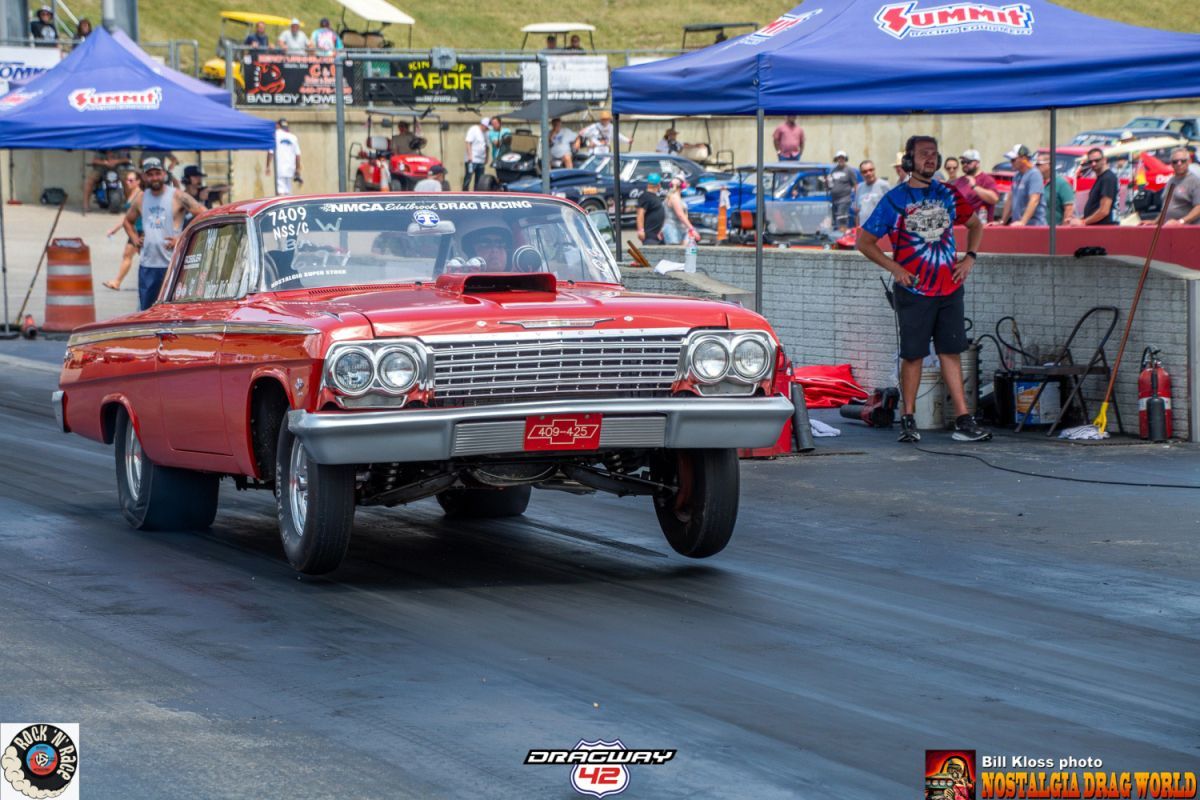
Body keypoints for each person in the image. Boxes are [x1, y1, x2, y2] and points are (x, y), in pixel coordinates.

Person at [856, 134, 990, 444]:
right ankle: (908, 417)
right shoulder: (894, 200)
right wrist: (895, 268)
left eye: (934, 153)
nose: (930, 158)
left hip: (949, 288)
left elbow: (976, 225)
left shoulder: (949, 193)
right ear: (909, 161)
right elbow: (864, 242)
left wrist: (970, 257)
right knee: (913, 355)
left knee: (951, 351)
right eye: (923, 154)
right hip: (914, 291)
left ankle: (963, 418)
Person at [123, 157, 206, 310]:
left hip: (172, 264)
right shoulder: (141, 198)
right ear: (144, 177)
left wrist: (182, 238)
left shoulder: (178, 196)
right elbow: (127, 221)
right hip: (148, 265)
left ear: (164, 174)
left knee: (174, 310)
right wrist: (134, 239)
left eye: (157, 173)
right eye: (150, 174)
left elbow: (204, 214)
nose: (154, 177)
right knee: (147, 311)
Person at [102, 171, 143, 291]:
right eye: (127, 180)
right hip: (134, 230)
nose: (128, 182)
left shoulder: (140, 195)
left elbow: (127, 218)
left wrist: (114, 230)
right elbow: (127, 217)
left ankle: (117, 282)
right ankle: (117, 281)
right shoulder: (132, 194)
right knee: (130, 256)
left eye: (131, 180)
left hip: (139, 231)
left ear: (138, 181)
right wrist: (115, 229)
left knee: (128, 256)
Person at [1070, 148, 1118, 225]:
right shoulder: (1102, 178)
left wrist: (1083, 222)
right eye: (1090, 161)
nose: (1093, 164)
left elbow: (1104, 211)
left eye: (1097, 160)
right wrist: (1082, 219)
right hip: (1099, 227)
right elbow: (1095, 207)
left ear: (1104, 160)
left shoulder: (1107, 178)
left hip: (1104, 229)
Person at [1000, 144, 1045, 226]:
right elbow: (1010, 199)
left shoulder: (1034, 174)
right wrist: (1002, 222)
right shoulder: (1017, 175)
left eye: (1013, 160)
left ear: (1023, 159)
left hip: (1034, 227)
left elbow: (1034, 200)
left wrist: (1022, 222)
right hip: (1019, 226)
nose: (1011, 162)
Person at [953, 149, 1000, 223]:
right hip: (961, 226)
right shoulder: (959, 181)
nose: (965, 164)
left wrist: (974, 187)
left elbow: (994, 199)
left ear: (977, 163)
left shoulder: (987, 179)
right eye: (963, 162)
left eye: (968, 162)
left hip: (981, 227)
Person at [82, 150, 133, 215]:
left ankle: (130, 204)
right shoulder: (101, 148)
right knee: (89, 181)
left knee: (127, 181)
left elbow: (127, 159)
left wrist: (116, 161)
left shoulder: (121, 147)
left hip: (119, 168)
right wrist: (105, 162)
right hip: (102, 168)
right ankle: (85, 204)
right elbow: (94, 160)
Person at [1161, 147, 1200, 225]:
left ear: (1189, 162)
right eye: (1175, 161)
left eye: (1183, 161)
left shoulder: (1194, 181)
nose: (1179, 164)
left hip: (1187, 230)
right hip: (1170, 229)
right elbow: (1166, 208)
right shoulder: (1170, 181)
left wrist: (1181, 221)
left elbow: (1198, 207)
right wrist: (1155, 221)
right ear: (1171, 164)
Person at [1036, 153, 1075, 225]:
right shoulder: (1038, 183)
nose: (1036, 167)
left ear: (1050, 165)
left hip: (1054, 231)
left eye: (1039, 164)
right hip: (1040, 229)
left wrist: (1063, 230)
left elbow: (1069, 209)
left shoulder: (1062, 184)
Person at [266, 119, 302, 195]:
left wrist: (268, 166)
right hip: (290, 168)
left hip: (279, 168)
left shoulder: (275, 135)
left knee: (280, 192)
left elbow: (270, 152)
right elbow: (297, 155)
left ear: (277, 125)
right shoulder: (293, 137)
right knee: (288, 192)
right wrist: (298, 169)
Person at [853, 160, 889, 227]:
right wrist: (857, 228)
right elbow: (857, 211)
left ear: (874, 170)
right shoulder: (859, 187)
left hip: (879, 229)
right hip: (863, 229)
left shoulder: (884, 185)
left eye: (871, 170)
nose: (868, 173)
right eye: (865, 172)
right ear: (861, 174)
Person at [661, 178, 696, 245]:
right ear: (682, 185)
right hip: (673, 229)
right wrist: (691, 228)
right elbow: (680, 215)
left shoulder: (674, 196)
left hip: (679, 228)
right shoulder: (674, 198)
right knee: (674, 252)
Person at [829, 151, 858, 230]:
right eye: (839, 158)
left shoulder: (849, 170)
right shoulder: (833, 170)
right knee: (835, 220)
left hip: (844, 199)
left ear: (845, 159)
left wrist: (857, 199)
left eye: (843, 158)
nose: (841, 160)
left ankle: (842, 237)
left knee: (842, 219)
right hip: (834, 200)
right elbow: (830, 184)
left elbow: (855, 185)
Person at [636, 173, 667, 244]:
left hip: (657, 236)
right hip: (650, 237)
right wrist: (640, 230)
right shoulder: (645, 196)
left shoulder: (655, 196)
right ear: (659, 185)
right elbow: (640, 214)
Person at [463, 117, 489, 190]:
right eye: (486, 127)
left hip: (481, 161)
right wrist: (470, 156)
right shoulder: (474, 129)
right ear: (483, 125)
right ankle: (464, 193)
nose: (487, 129)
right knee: (468, 177)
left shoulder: (486, 133)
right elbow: (468, 142)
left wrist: (486, 157)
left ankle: (476, 194)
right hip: (472, 160)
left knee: (479, 180)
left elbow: (487, 146)